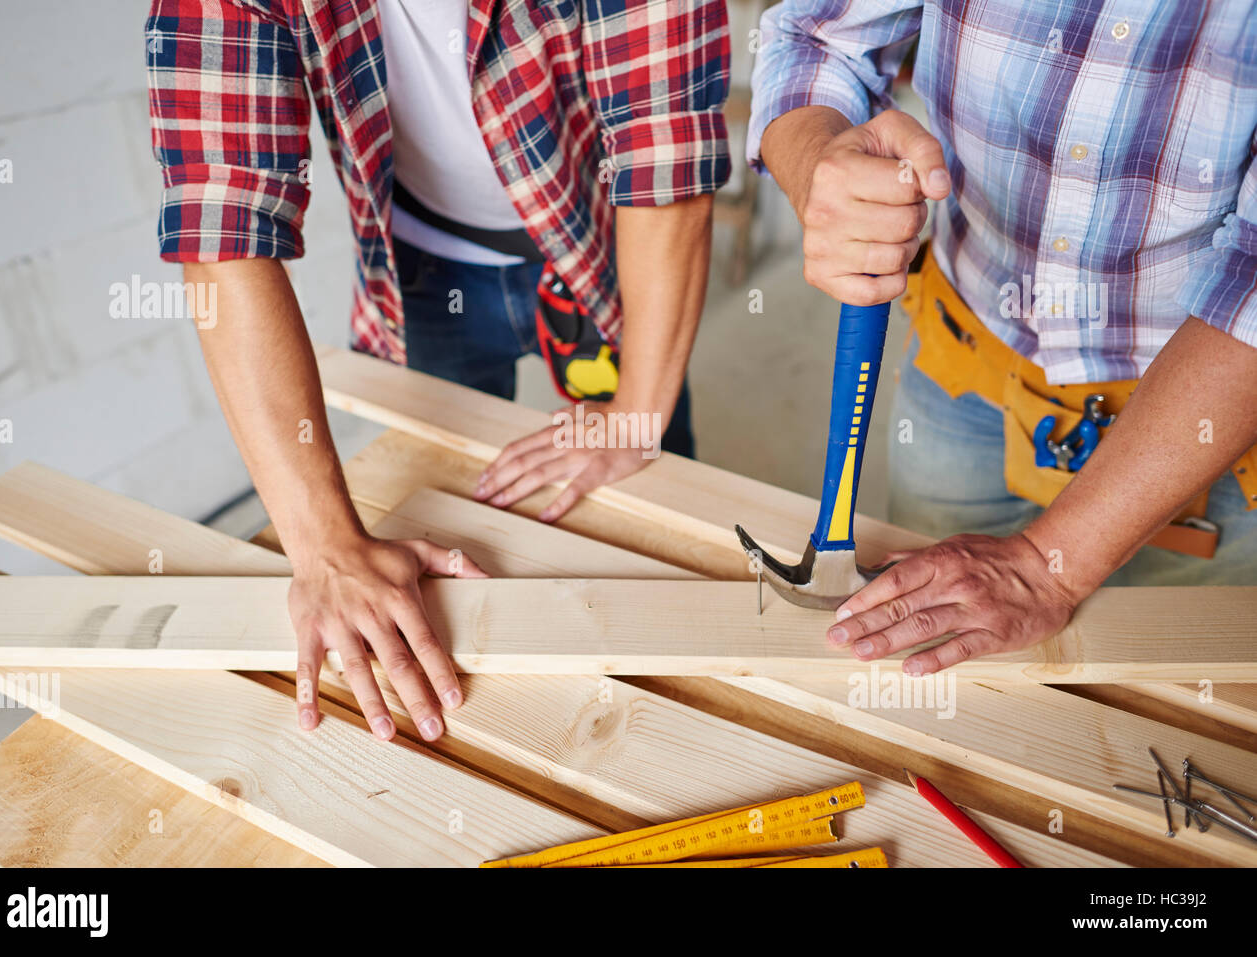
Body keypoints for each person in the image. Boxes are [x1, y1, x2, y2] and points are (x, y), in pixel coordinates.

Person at [145, 0, 729, 736]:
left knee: (658, 510)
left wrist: (636, 413)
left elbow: (664, 154)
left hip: (608, 245)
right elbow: (222, 224)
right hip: (422, 266)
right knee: (458, 529)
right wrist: (326, 550)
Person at [750, 1, 1257, 674]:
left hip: (1207, 438)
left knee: (1168, 705)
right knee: (936, 687)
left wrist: (1050, 573)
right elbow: (817, 36)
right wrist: (818, 160)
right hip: (967, 374)